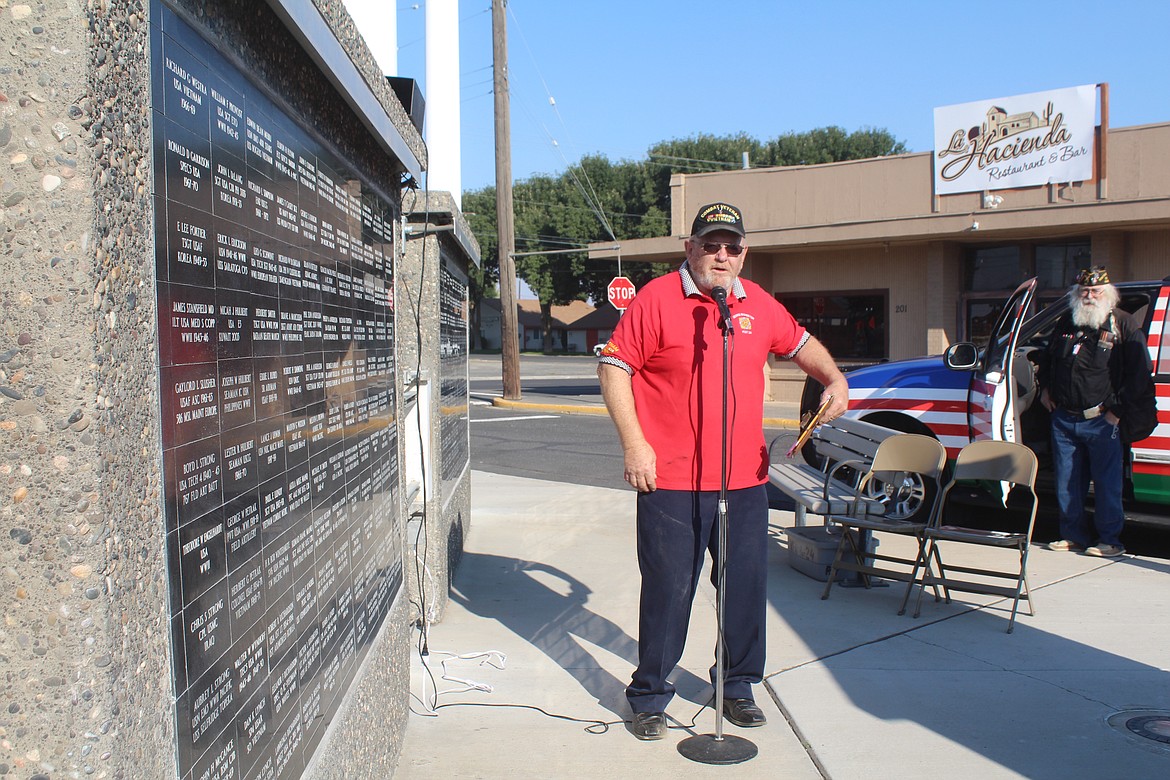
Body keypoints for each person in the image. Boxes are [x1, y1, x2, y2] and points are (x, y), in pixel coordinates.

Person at [596, 202, 848, 741]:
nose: (722, 255)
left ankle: (737, 686)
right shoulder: (656, 300)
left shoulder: (755, 303)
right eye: (711, 244)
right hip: (672, 482)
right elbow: (613, 368)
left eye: (732, 247)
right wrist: (634, 444)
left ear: (743, 254)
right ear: (690, 249)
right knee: (670, 589)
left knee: (743, 587)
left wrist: (836, 380)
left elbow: (801, 344)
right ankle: (650, 694)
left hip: (744, 479)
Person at [1038, 266, 1149, 558]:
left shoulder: (1123, 325)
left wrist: (1118, 411)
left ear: (1108, 294)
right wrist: (1046, 390)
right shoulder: (1066, 322)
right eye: (1084, 291)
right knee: (1066, 482)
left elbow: (1139, 375)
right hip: (1063, 418)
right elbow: (1048, 360)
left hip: (1102, 419)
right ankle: (1072, 536)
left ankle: (1110, 541)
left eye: (1095, 291)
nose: (1089, 296)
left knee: (1106, 484)